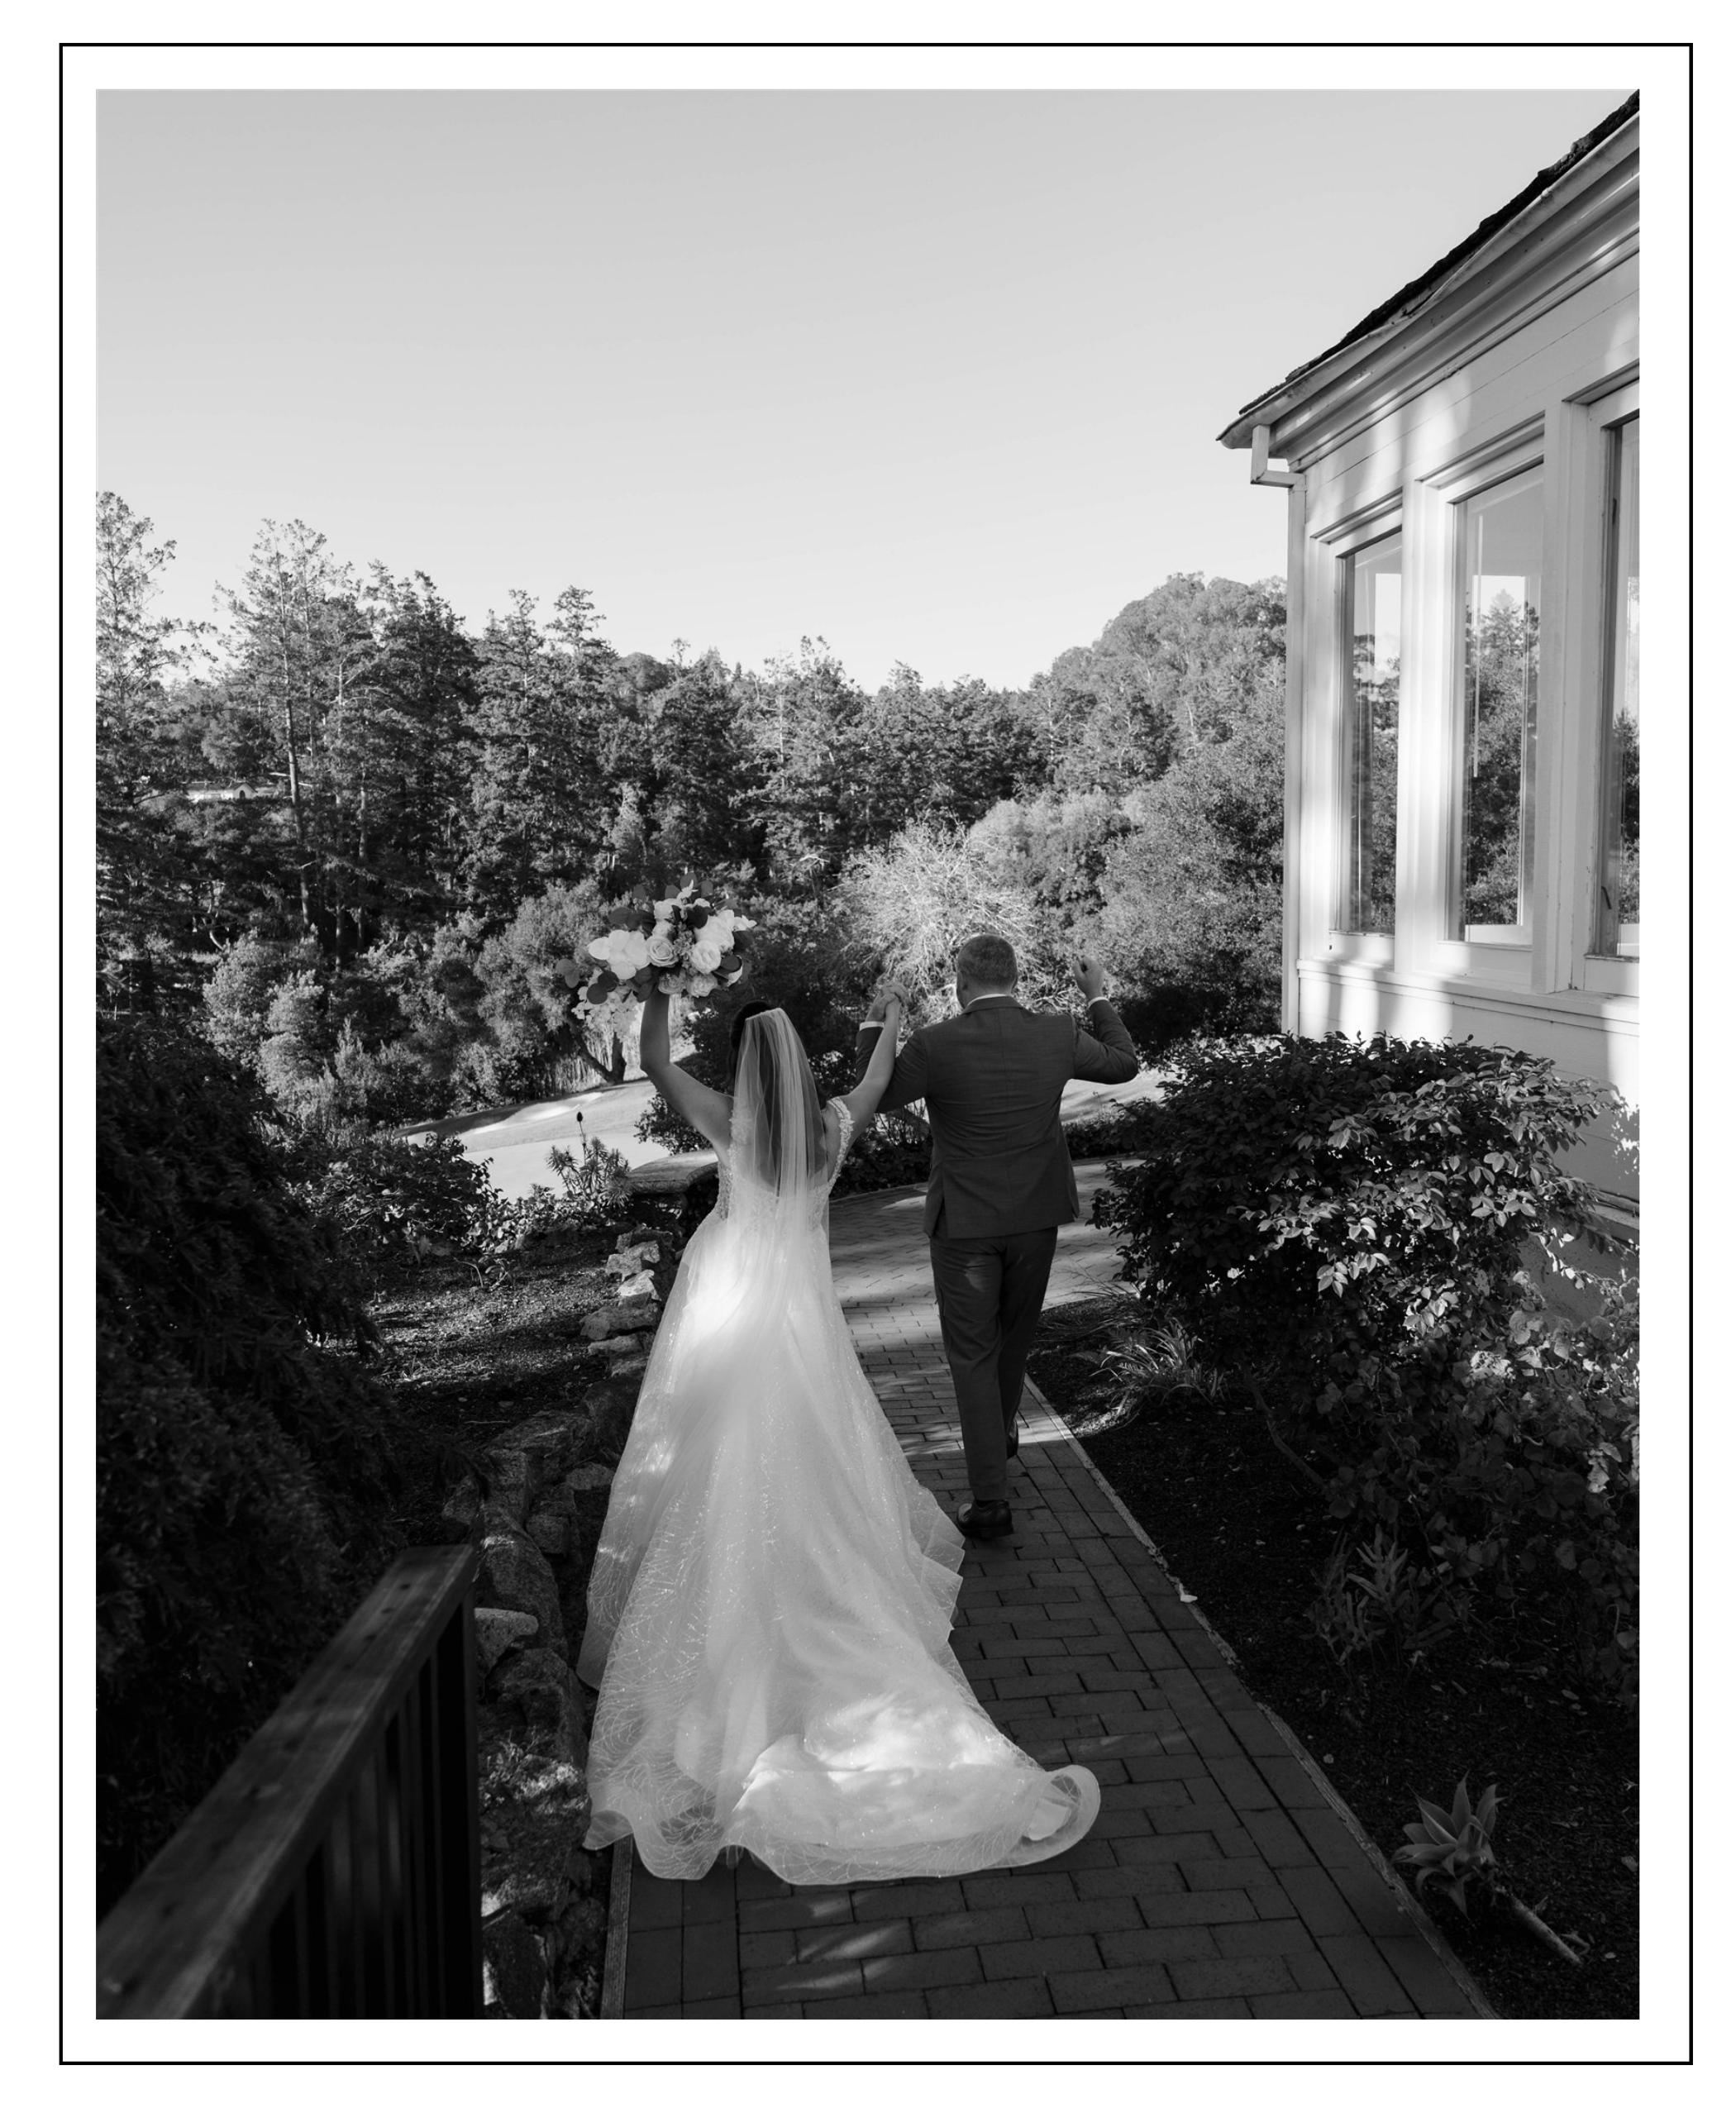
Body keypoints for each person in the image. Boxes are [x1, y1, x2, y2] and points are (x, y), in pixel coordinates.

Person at [576, 985, 1100, 1885]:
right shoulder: (828, 1128)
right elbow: (877, 1075)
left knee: (718, 1476)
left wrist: (659, 987)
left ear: (744, 1065)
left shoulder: (731, 1126)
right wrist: (894, 1022)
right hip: (803, 1339)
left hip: (734, 1333)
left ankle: (729, 1640)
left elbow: (656, 1062)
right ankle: (815, 1601)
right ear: (796, 1062)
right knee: (816, 1475)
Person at [855, 938, 1139, 1541]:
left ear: (960, 980)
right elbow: (1123, 1064)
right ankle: (1001, 1435)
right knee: (1013, 1341)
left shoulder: (936, 1045)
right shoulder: (1057, 1033)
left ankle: (990, 1500)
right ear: (1014, 977)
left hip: (965, 1226)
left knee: (973, 1356)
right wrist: (1098, 996)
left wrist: (880, 1020)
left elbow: (872, 1095)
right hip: (1036, 1217)